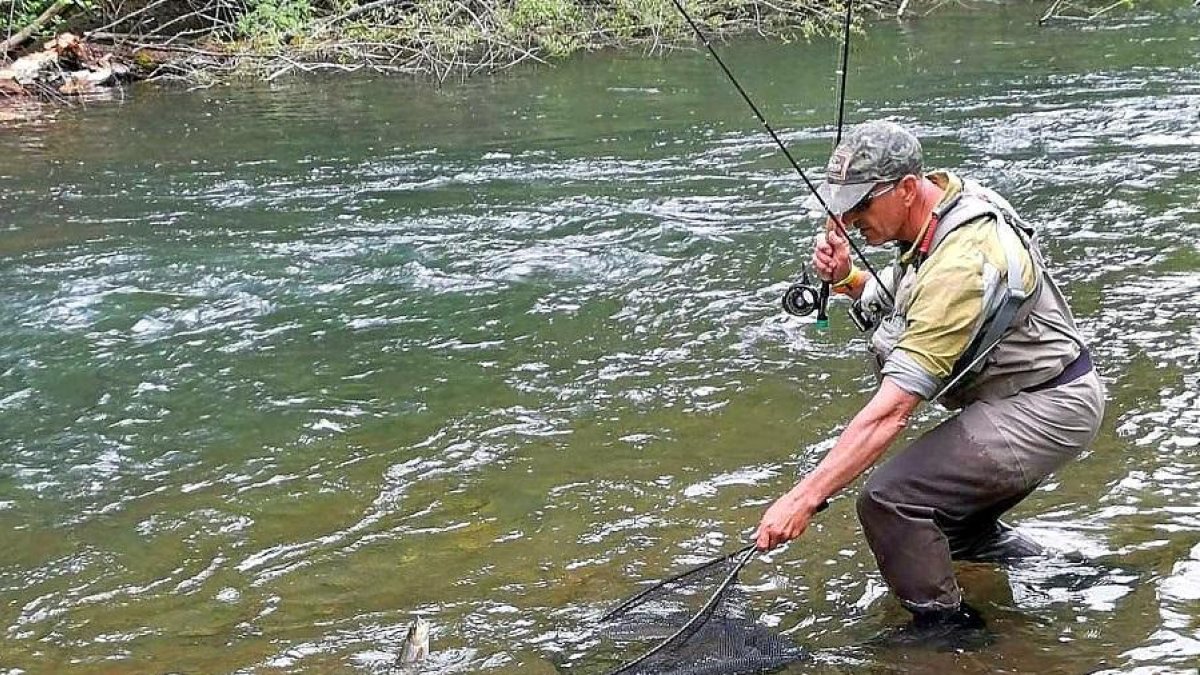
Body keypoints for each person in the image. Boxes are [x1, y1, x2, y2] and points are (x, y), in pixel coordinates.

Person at [754, 120, 1105, 630]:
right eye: (843, 208)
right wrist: (850, 279)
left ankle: (947, 634)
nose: (849, 221)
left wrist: (803, 498)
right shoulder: (939, 210)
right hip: (1039, 392)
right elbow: (910, 299)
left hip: (1046, 404)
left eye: (861, 206)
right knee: (950, 523)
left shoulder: (961, 262)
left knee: (892, 500)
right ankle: (1074, 578)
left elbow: (891, 412)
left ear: (906, 188)